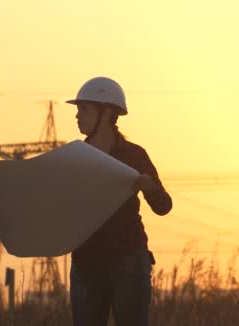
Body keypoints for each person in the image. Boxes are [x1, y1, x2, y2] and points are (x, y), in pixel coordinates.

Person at [67, 77, 173, 326]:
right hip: (86, 263)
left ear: (107, 113)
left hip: (128, 261)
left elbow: (163, 206)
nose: (77, 116)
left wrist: (150, 188)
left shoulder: (135, 155)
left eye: (84, 109)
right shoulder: (73, 158)